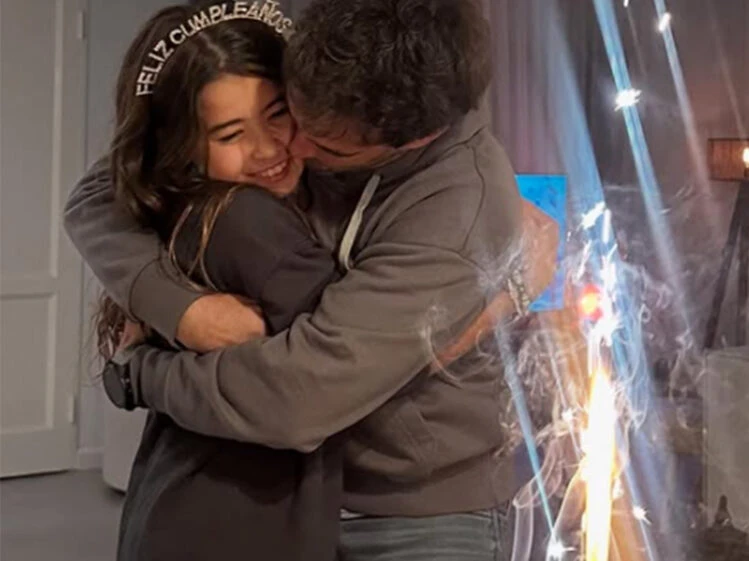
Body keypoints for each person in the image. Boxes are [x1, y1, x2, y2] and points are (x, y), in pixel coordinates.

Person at [66, 0, 559, 559]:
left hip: (415, 512)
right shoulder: (319, 79)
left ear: (413, 141)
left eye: (327, 144)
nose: (290, 148)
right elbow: (101, 191)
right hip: (291, 493)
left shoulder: (453, 205)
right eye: (294, 112)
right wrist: (182, 309)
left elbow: (298, 398)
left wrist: (143, 374)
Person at [87, 4, 344, 560]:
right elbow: (350, 361)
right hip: (237, 517)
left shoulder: (189, 213)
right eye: (231, 134)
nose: (267, 148)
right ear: (183, 147)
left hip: (177, 502)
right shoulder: (248, 222)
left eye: (277, 114)